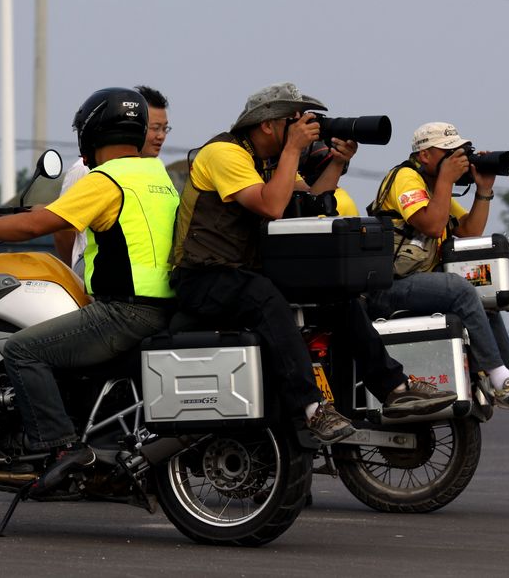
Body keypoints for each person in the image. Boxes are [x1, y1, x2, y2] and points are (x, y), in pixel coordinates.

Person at [169, 82, 457, 444]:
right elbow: (272, 205)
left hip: (243, 273)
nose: (304, 126)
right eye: (294, 119)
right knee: (265, 296)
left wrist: (337, 162)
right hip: (202, 275)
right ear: (267, 125)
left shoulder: (269, 161)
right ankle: (311, 409)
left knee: (337, 295)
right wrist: (293, 149)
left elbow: (314, 199)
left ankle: (395, 388)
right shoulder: (224, 154)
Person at [0, 87, 179, 494]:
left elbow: (40, 224)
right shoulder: (156, 175)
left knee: (22, 350)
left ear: (93, 133)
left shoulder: (106, 179)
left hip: (124, 311)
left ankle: (61, 449)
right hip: (162, 307)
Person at [366, 121, 509, 415]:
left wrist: (483, 189)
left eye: (458, 151)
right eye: (447, 151)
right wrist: (447, 181)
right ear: (424, 155)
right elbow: (433, 225)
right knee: (460, 289)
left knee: (482, 299)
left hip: (415, 286)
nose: (456, 158)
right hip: (386, 287)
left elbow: (470, 231)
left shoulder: (435, 188)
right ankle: (500, 380)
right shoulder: (406, 178)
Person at [53, 85, 171, 274]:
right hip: (95, 277)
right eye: (155, 128)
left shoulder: (157, 168)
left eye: (165, 128)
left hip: (138, 281)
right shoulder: (85, 169)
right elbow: (62, 229)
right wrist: (74, 274)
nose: (161, 136)